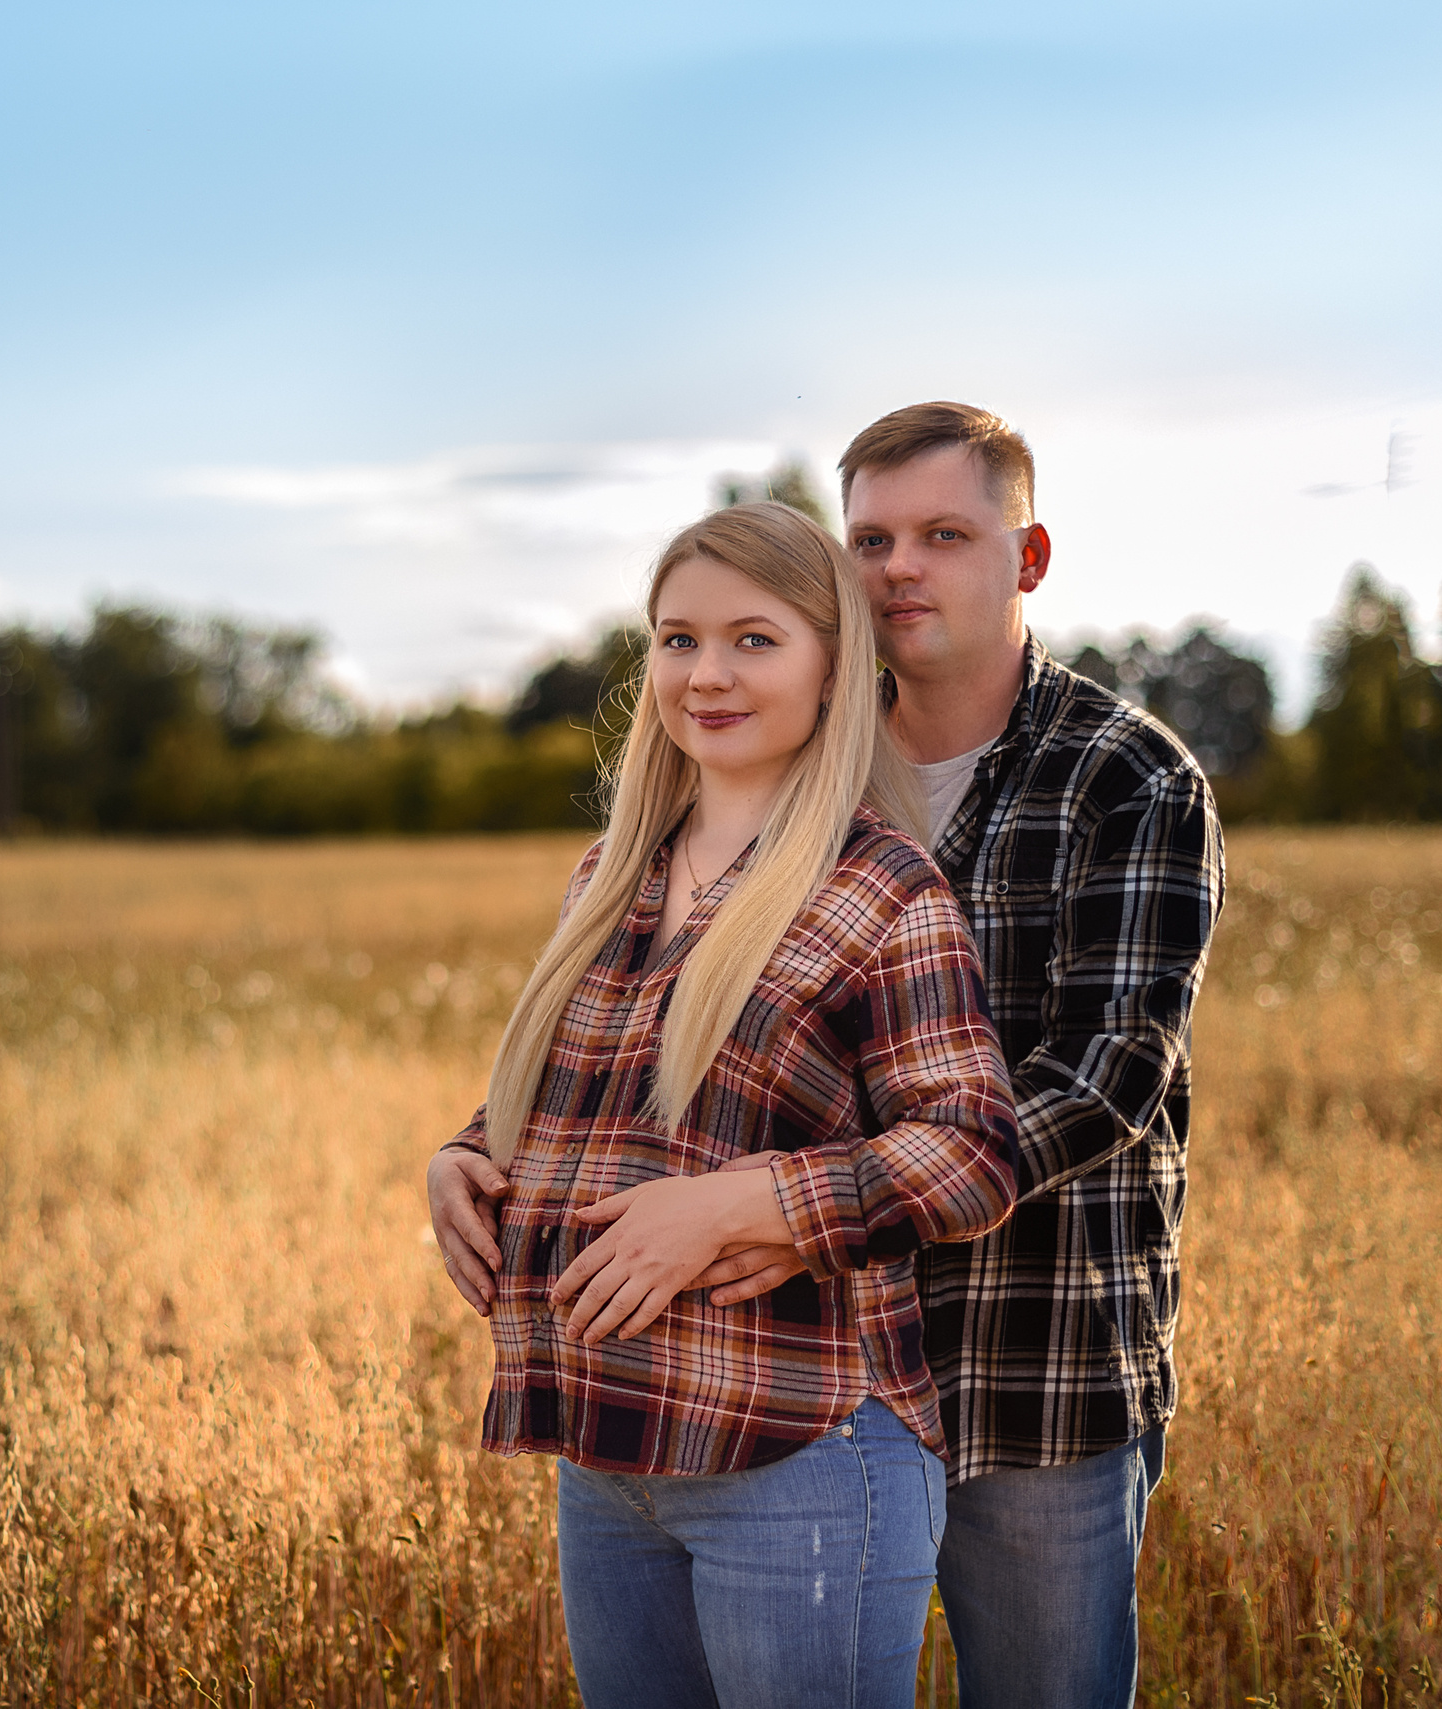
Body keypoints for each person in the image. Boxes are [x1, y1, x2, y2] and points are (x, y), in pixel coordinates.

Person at [425, 500, 1021, 1709]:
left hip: (797, 1448)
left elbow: (974, 1151)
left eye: (754, 639)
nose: (706, 674)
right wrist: (466, 1153)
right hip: (611, 1448)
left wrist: (753, 1207)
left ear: (831, 666)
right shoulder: (612, 874)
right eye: (677, 638)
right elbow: (584, 1091)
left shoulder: (879, 886)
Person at [700, 403, 1226, 1708]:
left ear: (1027, 557)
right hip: (813, 1368)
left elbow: (1106, 1075)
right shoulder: (798, 770)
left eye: (943, 535)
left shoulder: (1129, 776)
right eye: (870, 539)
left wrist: (815, 1209)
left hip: (1034, 1368)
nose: (898, 569)